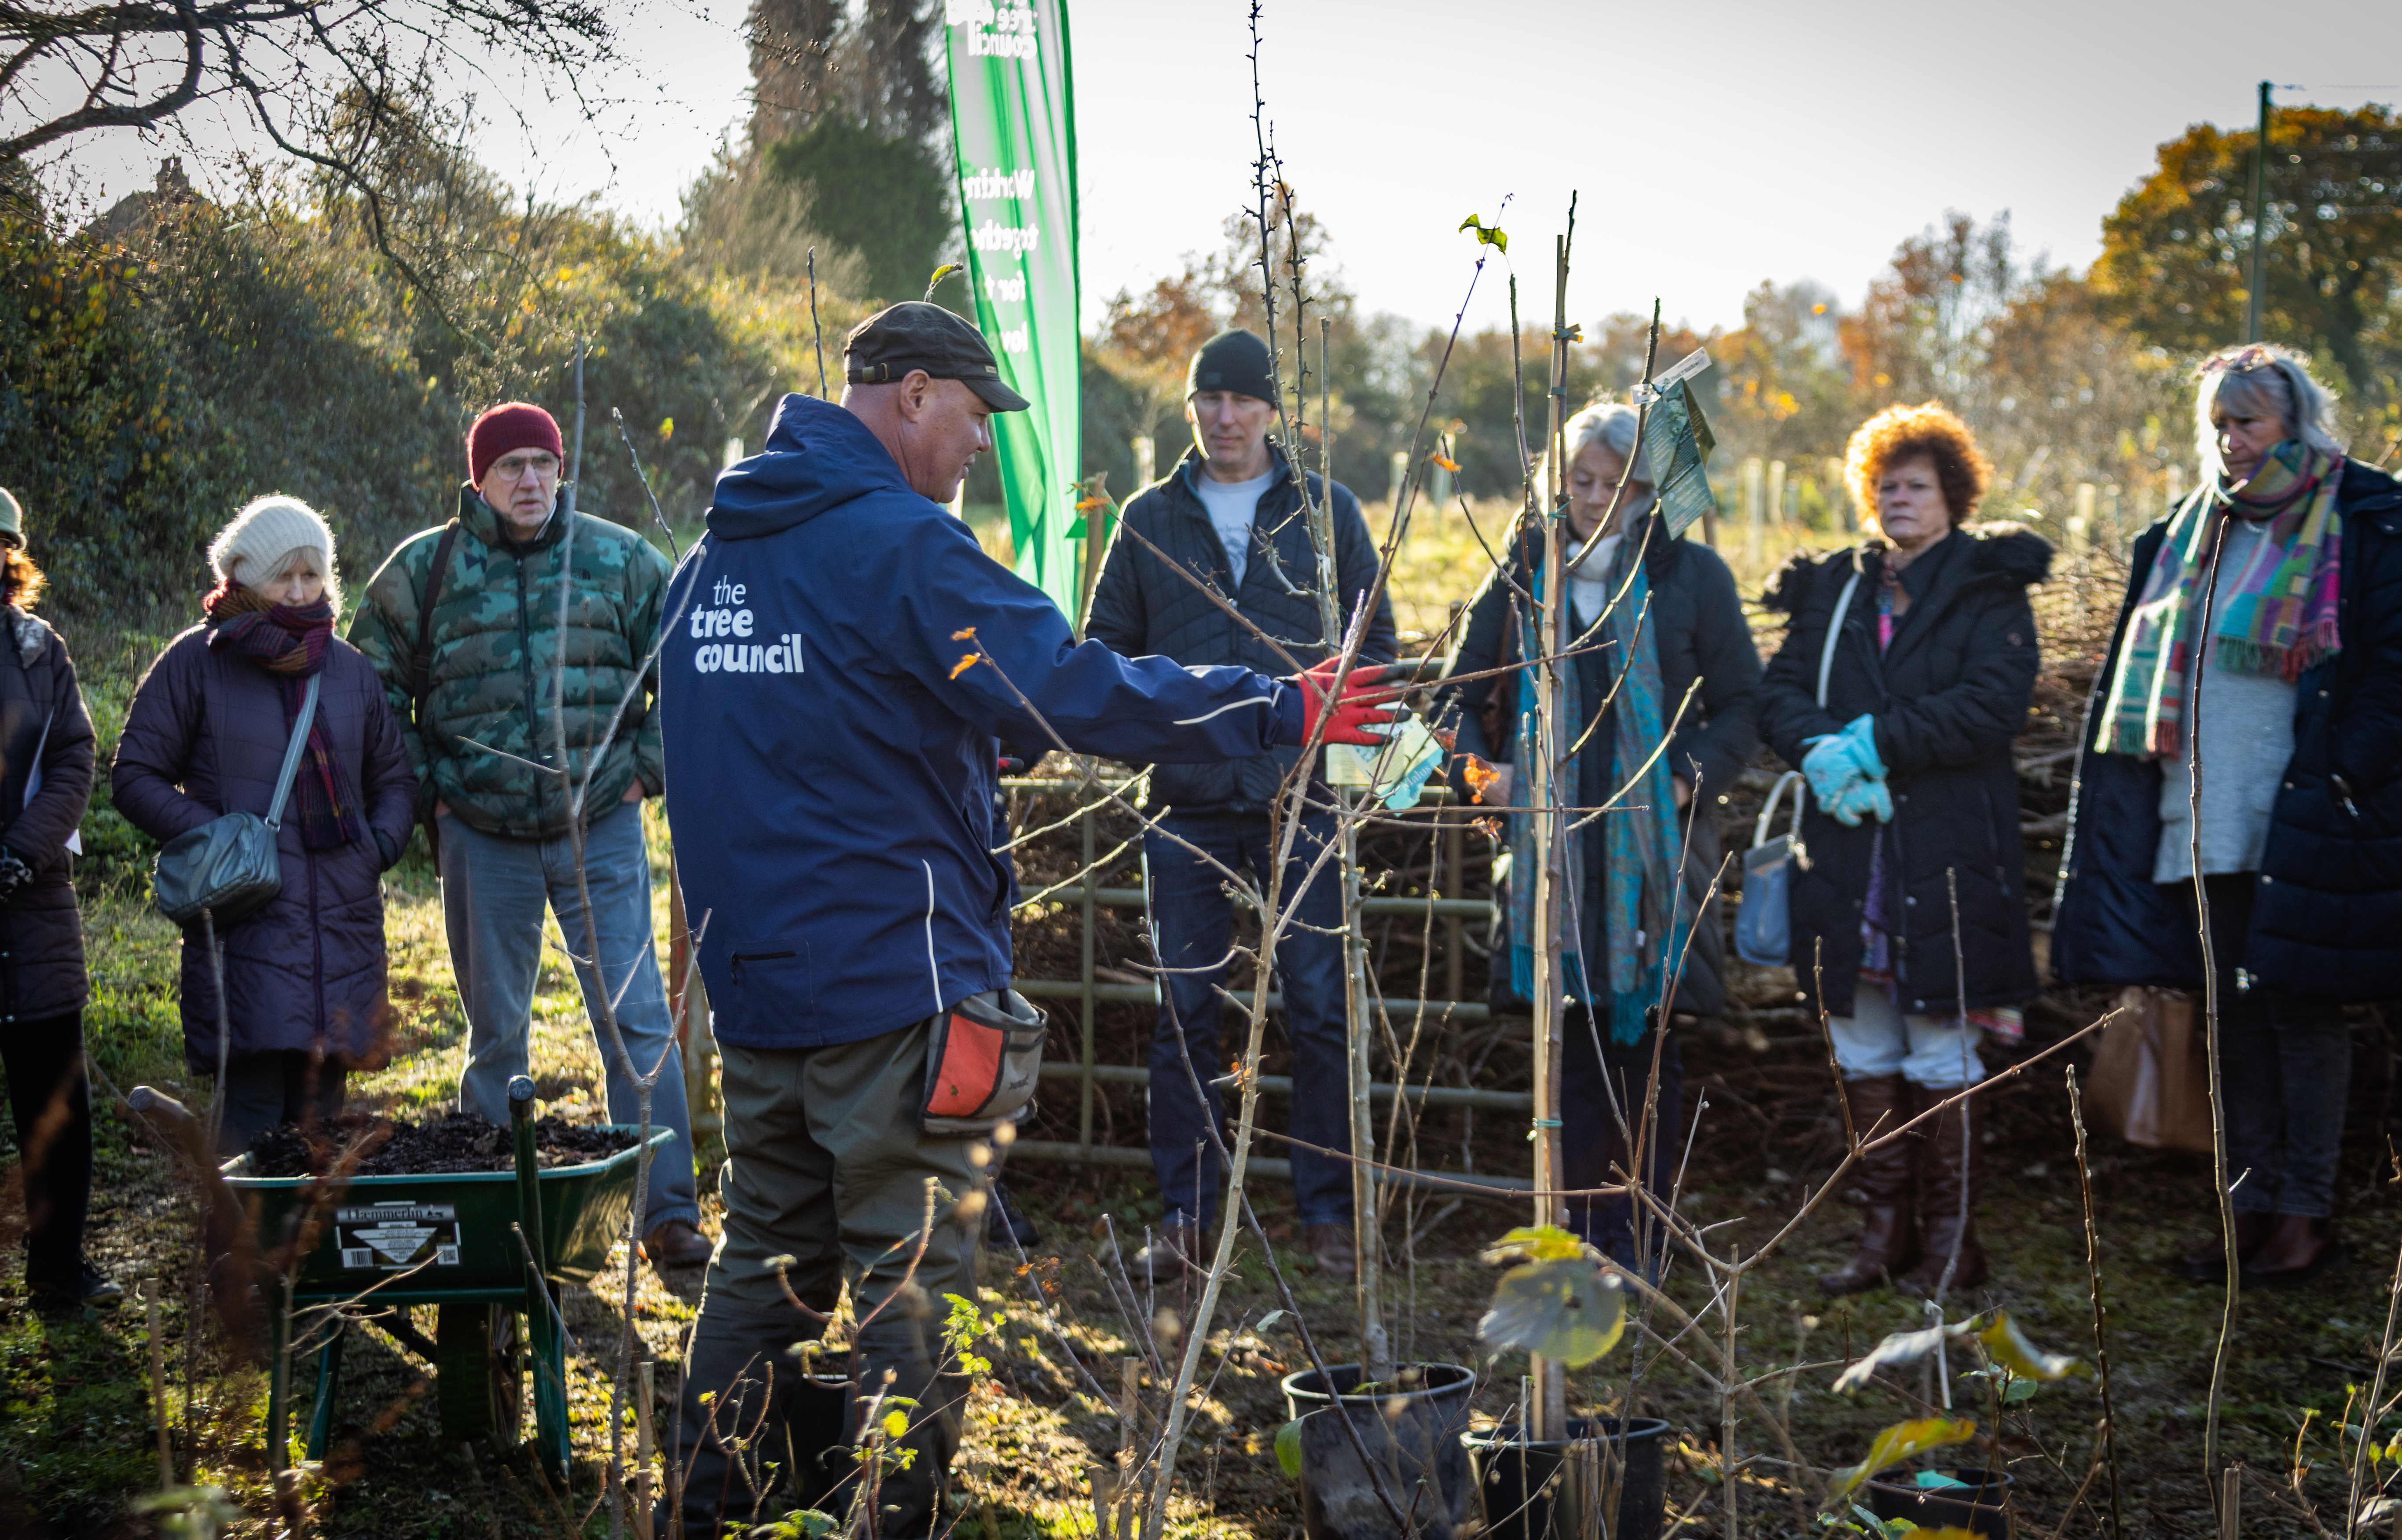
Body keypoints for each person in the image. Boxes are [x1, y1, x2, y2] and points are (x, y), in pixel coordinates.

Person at [657, 302, 1401, 1538]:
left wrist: (952, 744)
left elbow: (788, 736)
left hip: (760, 982)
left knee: (769, 1262)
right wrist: (1278, 707)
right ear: (908, 394)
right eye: (970, 417)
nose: (981, 450)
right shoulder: (899, 544)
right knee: (909, 1273)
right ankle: (899, 1519)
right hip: (892, 982)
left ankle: (703, 1505)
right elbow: (1071, 685)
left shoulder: (713, 562)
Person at [2055, 345, 2402, 1288]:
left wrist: (2343, 774)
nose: (2231, 440)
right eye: (2218, 422)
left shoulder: (2366, 517)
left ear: (2294, 421)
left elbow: (2395, 669)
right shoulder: (2189, 529)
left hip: (2308, 811)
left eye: (2247, 421)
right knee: (2234, 1019)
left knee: (2304, 1015)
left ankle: (2307, 1216)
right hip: (2202, 810)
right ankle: (2246, 1211)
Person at [348, 403, 709, 1267]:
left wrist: (642, 770)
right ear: (477, 480)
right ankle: (495, 1219)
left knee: (638, 1025)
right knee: (497, 1034)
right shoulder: (422, 573)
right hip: (482, 835)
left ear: (563, 472)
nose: (530, 482)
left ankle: (667, 1214)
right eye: (510, 467)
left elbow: (691, 673)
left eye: (544, 464)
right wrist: (431, 791)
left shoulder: (624, 563)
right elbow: (368, 692)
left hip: (603, 832)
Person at [1082, 329, 1395, 1280]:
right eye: (1208, 400)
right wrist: (1154, 733)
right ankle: (1185, 1215)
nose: (1225, 418)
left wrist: (1333, 747)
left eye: (1243, 401)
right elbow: (1104, 653)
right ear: (1190, 409)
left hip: (1297, 797)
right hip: (1182, 802)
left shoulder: (1325, 511)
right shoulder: (1146, 519)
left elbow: (1371, 645)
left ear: (1273, 413)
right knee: (1185, 1009)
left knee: (1318, 1003)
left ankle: (1328, 1212)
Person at [1443, 402, 1760, 1278]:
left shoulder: (1688, 577)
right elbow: (1459, 701)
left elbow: (1743, 700)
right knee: (1570, 1053)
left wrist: (1690, 775)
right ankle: (1578, 1237)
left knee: (1649, 1051)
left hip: (1656, 858)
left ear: (1644, 490)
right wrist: (1481, 775)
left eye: (1610, 484)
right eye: (1576, 480)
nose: (1589, 498)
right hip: (1551, 859)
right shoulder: (1521, 576)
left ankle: (1642, 1237)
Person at [1757, 403, 2049, 1297]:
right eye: (1887, 485)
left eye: (1918, 485)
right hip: (1849, 857)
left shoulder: (1986, 589)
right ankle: (1882, 1241)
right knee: (1861, 1043)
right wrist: (1818, 749)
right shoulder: (1836, 589)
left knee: (1939, 1045)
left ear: (1953, 496)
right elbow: (1777, 694)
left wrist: (1877, 741)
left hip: (1948, 854)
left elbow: (1994, 703)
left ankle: (1952, 1247)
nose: (1900, 499)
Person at [113, 497, 418, 1158]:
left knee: (321, 1120)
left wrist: (378, 847)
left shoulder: (349, 670)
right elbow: (134, 775)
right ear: (246, 579)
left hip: (343, 925)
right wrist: (220, 835)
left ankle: (304, 1262)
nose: (302, 591)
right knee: (248, 1116)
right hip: (244, 920)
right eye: (287, 577)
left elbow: (395, 781)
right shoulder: (198, 661)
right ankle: (235, 1261)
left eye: (313, 576)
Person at [0, 493, 114, 1305]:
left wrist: (19, 851)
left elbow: (75, 756)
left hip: (32, 913)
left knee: (57, 1116)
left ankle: (58, 1275)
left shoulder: (40, 651)